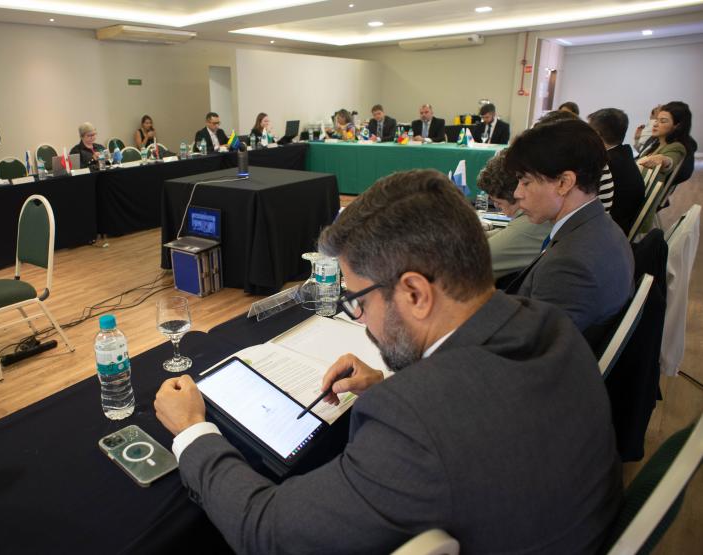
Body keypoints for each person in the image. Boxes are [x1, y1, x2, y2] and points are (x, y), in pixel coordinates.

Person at [154, 169, 621, 554]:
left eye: (358, 301)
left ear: (415, 293)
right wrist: (386, 385)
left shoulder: (415, 420)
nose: (362, 320)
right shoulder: (549, 324)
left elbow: (268, 531)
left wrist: (194, 432)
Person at [504, 118, 633, 350]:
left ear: (564, 183)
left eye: (525, 182)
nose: (517, 193)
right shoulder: (602, 226)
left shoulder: (569, 265)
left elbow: (531, 354)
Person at [477, 151, 552, 280]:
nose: (497, 207)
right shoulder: (531, 221)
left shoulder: (532, 223)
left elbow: (476, 262)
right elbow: (504, 235)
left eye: (498, 203)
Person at [587, 108, 645, 235]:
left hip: (609, 231)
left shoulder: (605, 164)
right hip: (621, 226)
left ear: (596, 134)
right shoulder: (623, 155)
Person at [636, 101, 692, 179]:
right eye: (656, 120)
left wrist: (664, 160)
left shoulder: (676, 147)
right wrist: (637, 139)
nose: (655, 124)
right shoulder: (657, 143)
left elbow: (670, 161)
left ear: (677, 126)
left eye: (663, 121)